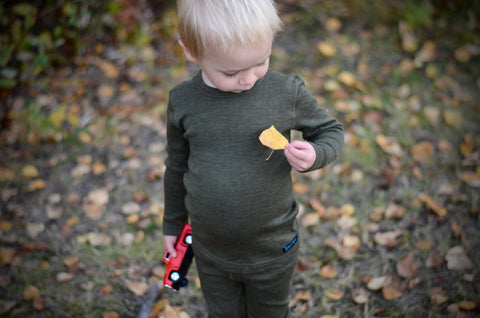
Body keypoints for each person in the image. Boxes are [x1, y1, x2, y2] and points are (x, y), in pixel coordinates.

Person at [162, 0, 344, 317]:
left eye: (261, 62)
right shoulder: (183, 101)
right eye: (231, 72)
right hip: (211, 250)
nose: (249, 79)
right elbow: (177, 167)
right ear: (191, 52)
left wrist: (316, 153)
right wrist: (173, 225)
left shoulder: (285, 92)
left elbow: (331, 130)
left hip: (272, 250)